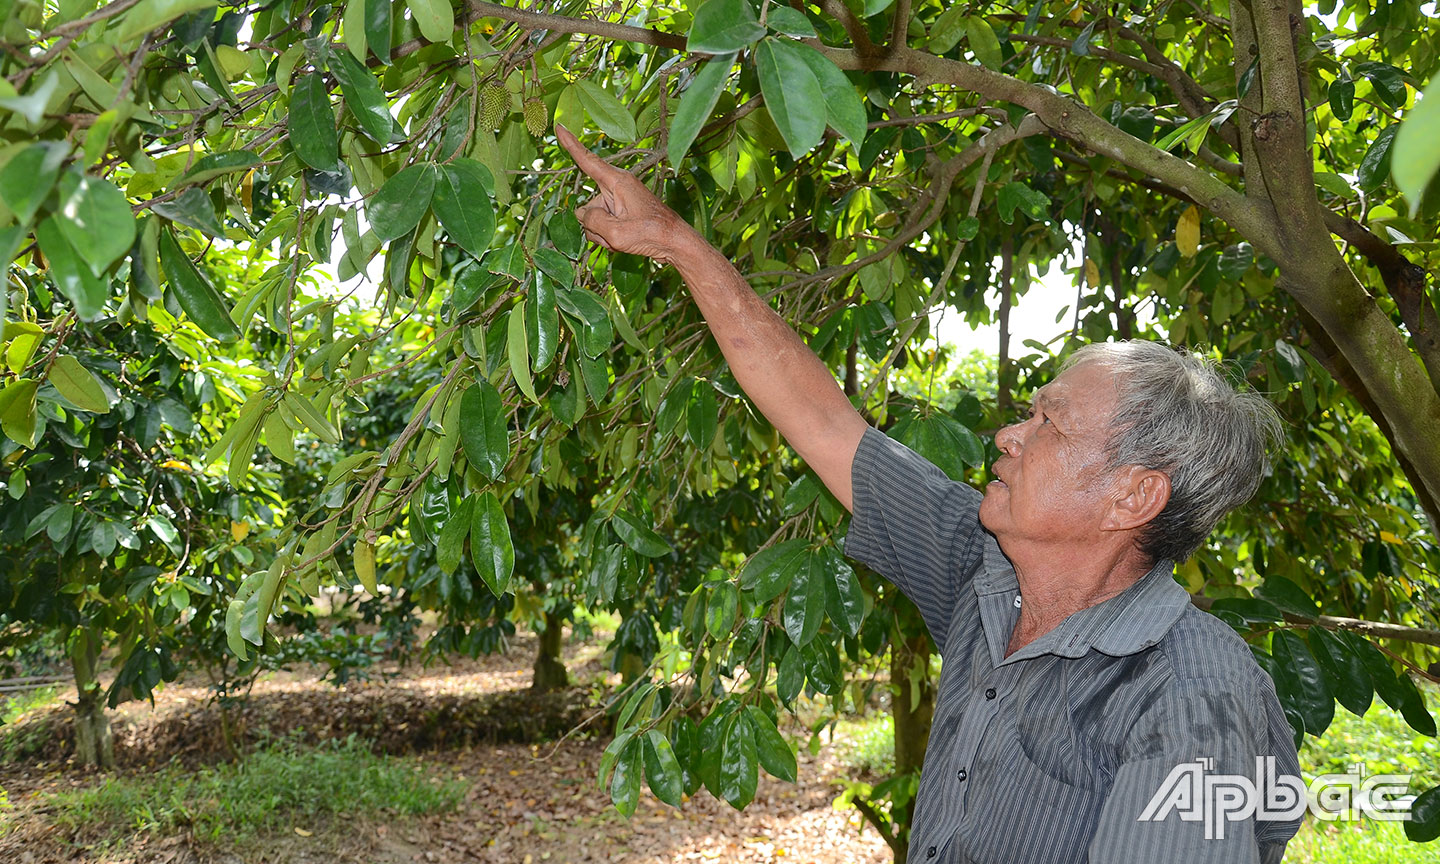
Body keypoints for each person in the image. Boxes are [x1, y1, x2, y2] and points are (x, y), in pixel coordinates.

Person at [556, 125, 1303, 863]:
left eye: (1051, 425)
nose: (1010, 434)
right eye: (1028, 413)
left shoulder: (1188, 696)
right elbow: (822, 421)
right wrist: (675, 241)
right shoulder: (990, 573)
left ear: (1132, 497)